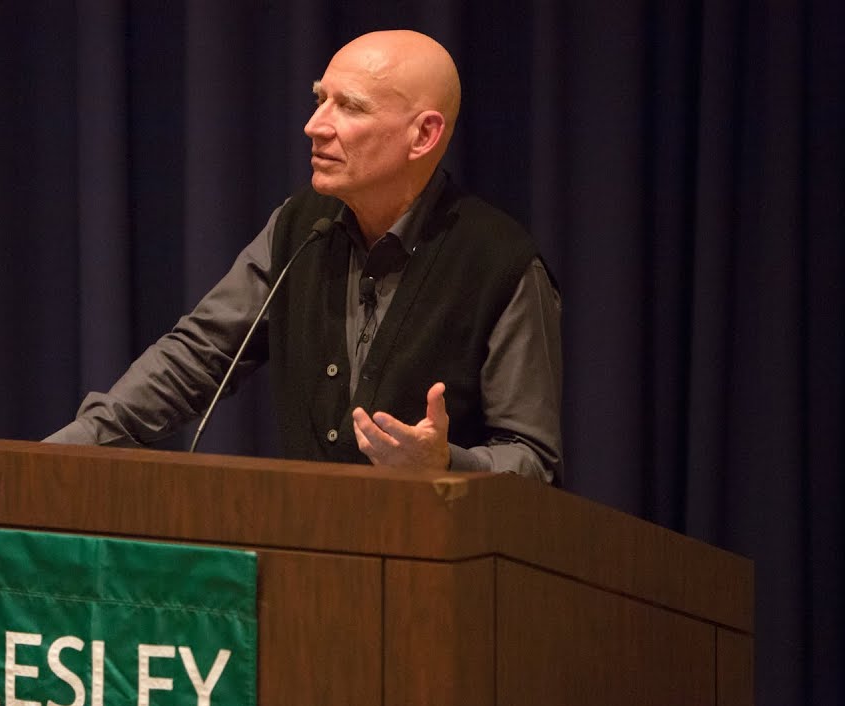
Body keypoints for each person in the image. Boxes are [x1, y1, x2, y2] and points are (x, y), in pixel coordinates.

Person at [46, 30, 563, 484]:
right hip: (309, 554)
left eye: (351, 107)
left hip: (438, 574)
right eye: (320, 99)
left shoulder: (501, 263)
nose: (315, 125)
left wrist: (444, 464)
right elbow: (196, 357)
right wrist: (68, 450)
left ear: (423, 134)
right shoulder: (300, 225)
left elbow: (534, 461)